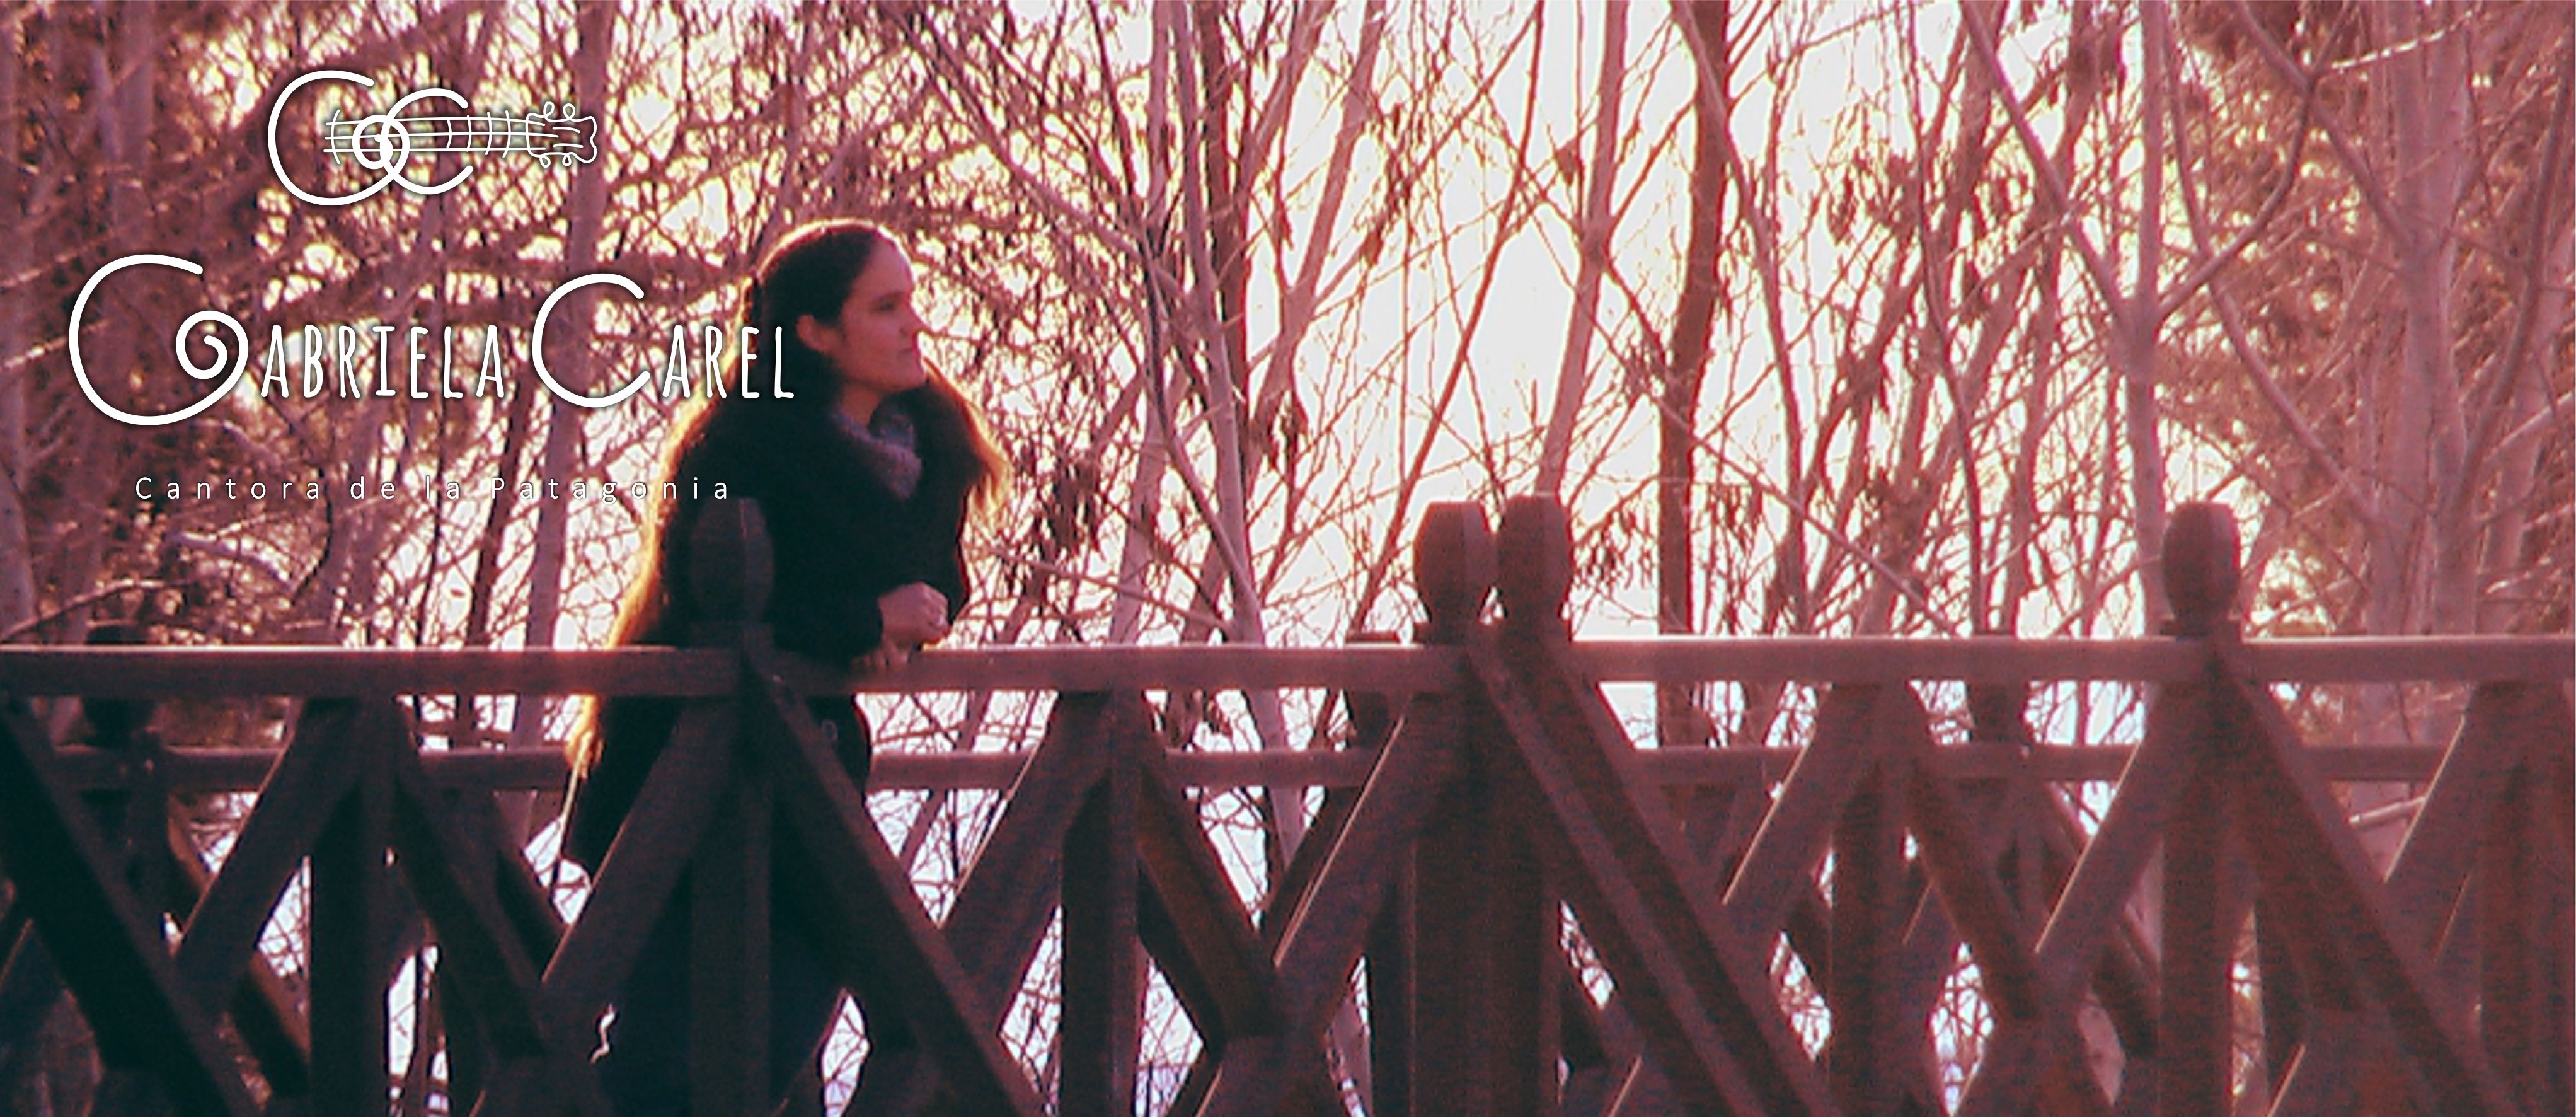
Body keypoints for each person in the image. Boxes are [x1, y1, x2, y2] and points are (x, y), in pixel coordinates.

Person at [562, 219, 1008, 1113]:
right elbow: (704, 611)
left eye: (912, 301)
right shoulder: (733, 446)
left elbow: (938, 586)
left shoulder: (932, 444)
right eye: (886, 307)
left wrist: (902, 623)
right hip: (673, 777)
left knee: (768, 1056)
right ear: (813, 332)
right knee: (662, 1070)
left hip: (807, 787)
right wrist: (862, 619)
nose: (915, 324)